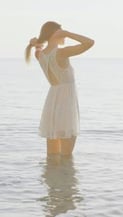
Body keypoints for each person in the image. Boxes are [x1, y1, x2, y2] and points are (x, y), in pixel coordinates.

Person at [25, 21, 94, 156]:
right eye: (61, 32)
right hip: (66, 105)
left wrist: (35, 44)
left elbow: (39, 49)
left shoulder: (40, 55)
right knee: (66, 156)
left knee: (52, 157)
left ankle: (51, 177)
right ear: (56, 33)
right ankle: (65, 177)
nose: (64, 36)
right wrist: (68, 33)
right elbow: (90, 42)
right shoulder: (61, 53)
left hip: (52, 103)